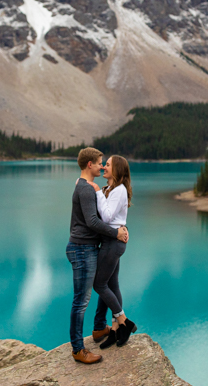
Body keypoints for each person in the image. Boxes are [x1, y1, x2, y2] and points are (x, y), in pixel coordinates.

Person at [66, 147, 129, 364]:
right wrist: (116, 232)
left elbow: (103, 211)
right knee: (81, 301)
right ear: (90, 165)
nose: (102, 166)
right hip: (82, 248)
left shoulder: (86, 187)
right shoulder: (85, 189)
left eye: (106, 163)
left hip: (89, 247)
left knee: (105, 283)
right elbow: (93, 221)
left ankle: (100, 327)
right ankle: (77, 349)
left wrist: (118, 229)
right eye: (100, 162)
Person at [91, 155, 137, 348]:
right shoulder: (109, 189)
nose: (103, 167)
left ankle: (124, 321)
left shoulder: (119, 190)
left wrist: (97, 193)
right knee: (112, 284)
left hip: (113, 243)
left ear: (116, 169)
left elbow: (108, 217)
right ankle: (116, 330)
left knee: (99, 284)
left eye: (107, 165)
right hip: (111, 241)